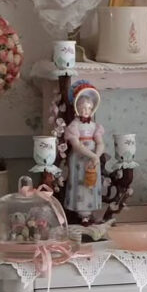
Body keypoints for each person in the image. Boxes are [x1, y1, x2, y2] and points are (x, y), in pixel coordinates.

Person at [64, 81, 104, 224]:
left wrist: (97, 156)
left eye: (88, 108)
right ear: (77, 107)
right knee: (81, 184)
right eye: (83, 107)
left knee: (91, 184)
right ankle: (82, 215)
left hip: (93, 160)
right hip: (80, 159)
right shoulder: (74, 126)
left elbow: (100, 142)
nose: (85, 110)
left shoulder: (95, 126)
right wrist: (92, 155)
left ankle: (91, 211)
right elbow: (76, 145)